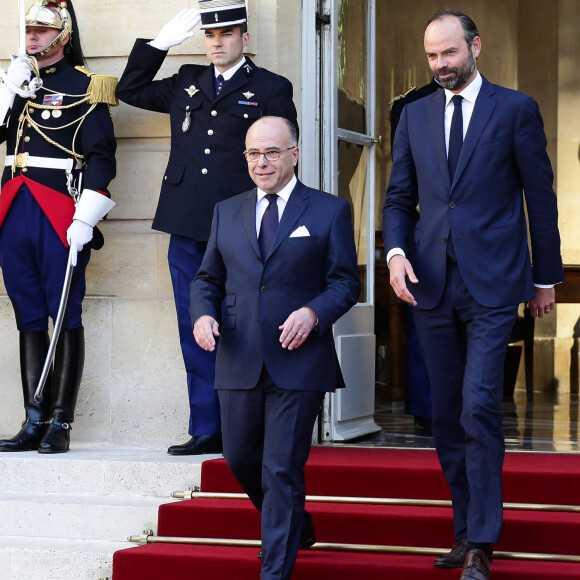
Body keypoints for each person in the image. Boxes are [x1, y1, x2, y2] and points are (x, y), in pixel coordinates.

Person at [383, 9, 563, 580]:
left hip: (492, 282)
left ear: (475, 48)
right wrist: (394, 254)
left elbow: (540, 198)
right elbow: (397, 199)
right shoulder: (412, 117)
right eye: (432, 56)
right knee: (443, 413)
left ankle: (484, 539)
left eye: (449, 53)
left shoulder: (515, 109)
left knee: (480, 404)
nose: (440, 65)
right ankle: (465, 529)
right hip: (430, 284)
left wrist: (545, 278)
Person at [116, 0, 297, 456]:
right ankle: (206, 425)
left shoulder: (271, 87)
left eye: (227, 35)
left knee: (245, 322)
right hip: (188, 220)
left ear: (244, 39)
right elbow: (129, 89)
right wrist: (158, 45)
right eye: (210, 36)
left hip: (242, 223)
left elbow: (282, 154)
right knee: (194, 321)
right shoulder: (186, 82)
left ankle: (248, 424)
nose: (217, 43)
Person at [191, 116, 360, 580]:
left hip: (299, 360)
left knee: (281, 466)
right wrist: (202, 314)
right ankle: (296, 525)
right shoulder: (227, 210)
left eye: (271, 152)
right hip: (239, 356)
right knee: (240, 457)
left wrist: (313, 313)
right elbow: (208, 277)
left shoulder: (329, 211)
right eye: (252, 154)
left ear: (294, 154)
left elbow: (345, 282)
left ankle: (275, 569)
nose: (260, 162)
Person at [0, 0, 117, 454]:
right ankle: (33, 417)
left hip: (58, 212)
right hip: (13, 208)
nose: (31, 38)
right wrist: (9, 89)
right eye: (27, 30)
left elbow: (102, 156)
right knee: (27, 313)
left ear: (62, 36)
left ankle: (61, 423)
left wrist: (87, 213)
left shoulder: (87, 87)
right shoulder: (16, 82)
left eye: (40, 31)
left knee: (64, 313)